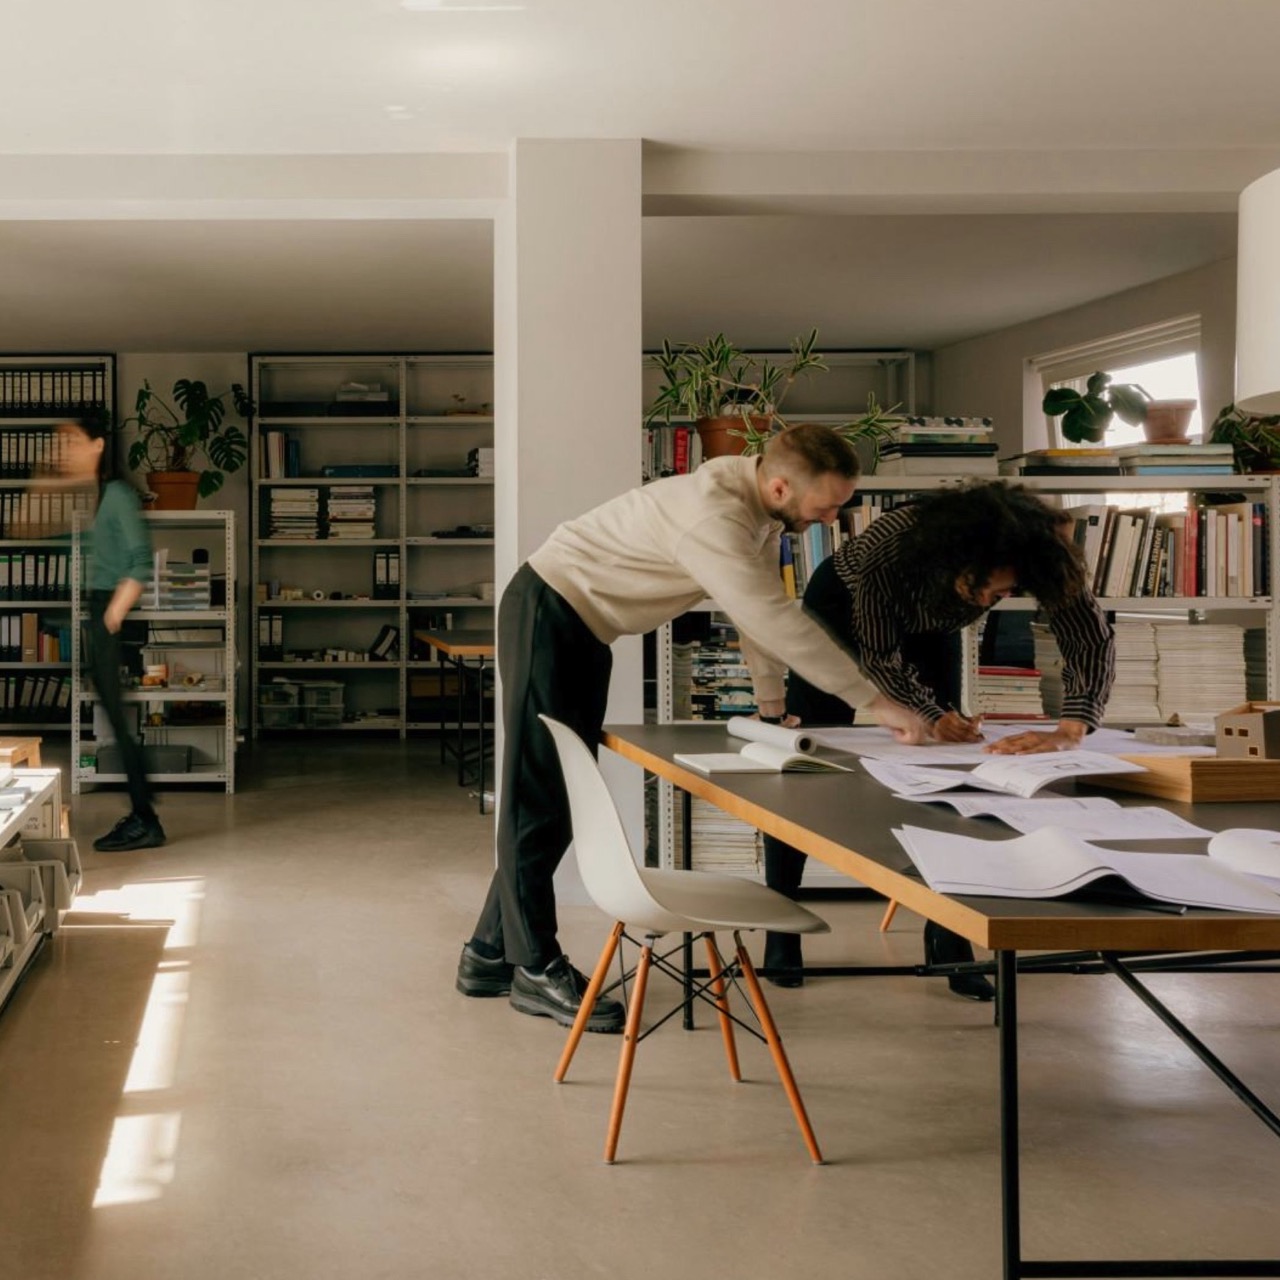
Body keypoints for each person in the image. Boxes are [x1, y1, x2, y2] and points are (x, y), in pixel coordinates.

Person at [456, 423, 927, 1032]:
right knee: (535, 799)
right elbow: (779, 622)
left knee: (557, 802)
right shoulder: (715, 519)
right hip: (549, 612)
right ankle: (535, 968)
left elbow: (754, 612)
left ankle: (487, 953)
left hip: (583, 629)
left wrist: (769, 704)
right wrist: (878, 702)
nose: (834, 518)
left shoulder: (759, 515)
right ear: (781, 487)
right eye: (828, 506)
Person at [762, 481, 1115, 998]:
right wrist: (929, 714)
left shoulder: (1040, 553)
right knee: (807, 762)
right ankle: (781, 923)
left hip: (934, 617)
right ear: (961, 561)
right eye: (992, 590)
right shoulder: (891, 547)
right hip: (841, 606)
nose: (998, 601)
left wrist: (1070, 728)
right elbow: (879, 655)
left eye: (1007, 592)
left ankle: (948, 932)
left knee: (950, 767)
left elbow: (1088, 636)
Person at [60, 416, 166, 852]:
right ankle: (144, 812)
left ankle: (146, 819)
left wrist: (113, 614)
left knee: (119, 724)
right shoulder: (95, 495)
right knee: (115, 719)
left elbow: (141, 560)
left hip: (108, 607)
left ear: (99, 445)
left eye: (73, 442)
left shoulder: (118, 494)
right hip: (98, 606)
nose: (65, 451)